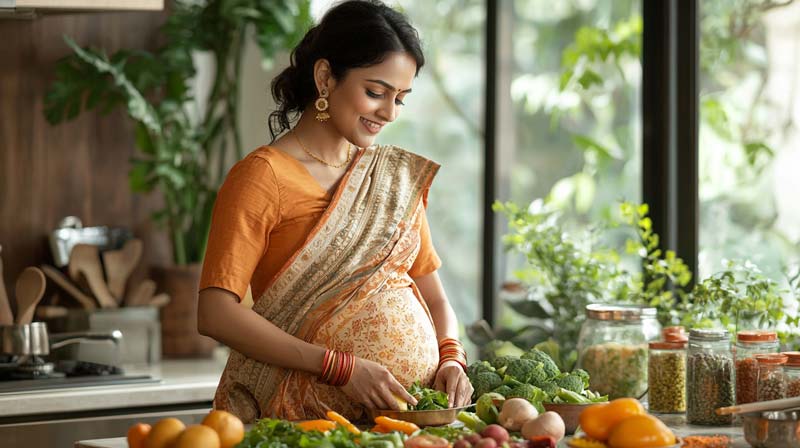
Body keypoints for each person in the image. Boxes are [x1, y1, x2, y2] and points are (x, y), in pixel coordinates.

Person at [197, 0, 473, 422]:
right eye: (376, 92)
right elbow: (216, 314)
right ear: (325, 76)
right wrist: (340, 368)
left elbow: (433, 295)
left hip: (406, 424)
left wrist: (452, 357)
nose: (390, 112)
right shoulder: (262, 177)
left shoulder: (390, 179)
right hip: (305, 422)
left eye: (401, 98)